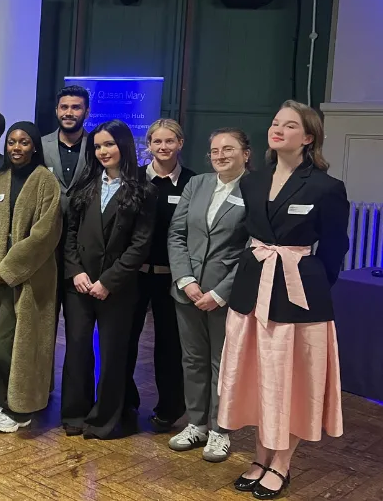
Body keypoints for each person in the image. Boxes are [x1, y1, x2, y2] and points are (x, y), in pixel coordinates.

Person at [219, 101, 347, 499]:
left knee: (290, 383)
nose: (278, 130)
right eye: (275, 123)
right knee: (258, 379)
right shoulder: (252, 181)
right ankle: (259, 457)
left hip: (299, 300)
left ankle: (281, 463)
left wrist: (311, 283)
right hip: (252, 292)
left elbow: (334, 250)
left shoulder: (327, 187)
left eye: (290, 126)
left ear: (308, 138)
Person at [61, 119, 156, 440]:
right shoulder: (83, 187)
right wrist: (76, 272)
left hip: (118, 288)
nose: (103, 151)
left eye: (109, 144)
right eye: (98, 146)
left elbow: (140, 245)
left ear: (124, 146)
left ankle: (104, 418)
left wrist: (108, 281)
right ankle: (75, 412)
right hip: (80, 284)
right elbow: (70, 235)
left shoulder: (144, 191)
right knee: (76, 349)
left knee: (114, 353)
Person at [167, 128, 251, 463]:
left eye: (228, 149)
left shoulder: (256, 190)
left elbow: (252, 248)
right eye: (214, 150)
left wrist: (221, 292)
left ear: (246, 153)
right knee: (193, 360)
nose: (220, 155)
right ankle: (196, 423)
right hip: (188, 291)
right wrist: (185, 280)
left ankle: (220, 430)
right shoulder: (197, 184)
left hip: (224, 294)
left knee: (223, 364)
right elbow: (177, 234)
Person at [0, 122, 61, 433]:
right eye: (11, 142)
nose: (17, 147)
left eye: (24, 142)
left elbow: (44, 235)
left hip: (30, 279)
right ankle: (2, 398)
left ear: (34, 146)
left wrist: (9, 269)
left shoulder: (46, 183)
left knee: (20, 343)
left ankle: (20, 408)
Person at [126, 119, 196, 432]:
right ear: (149, 145)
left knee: (170, 346)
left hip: (174, 278)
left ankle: (169, 408)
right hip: (136, 275)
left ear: (180, 143)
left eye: (170, 141)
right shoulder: (135, 179)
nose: (163, 147)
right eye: (157, 142)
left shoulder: (194, 183)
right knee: (126, 342)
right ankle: (125, 402)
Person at [41, 85, 90, 214]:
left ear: (87, 112)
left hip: (84, 226)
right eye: (64, 107)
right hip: (48, 225)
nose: (69, 113)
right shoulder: (41, 145)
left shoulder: (95, 146)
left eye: (76, 107)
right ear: (56, 110)